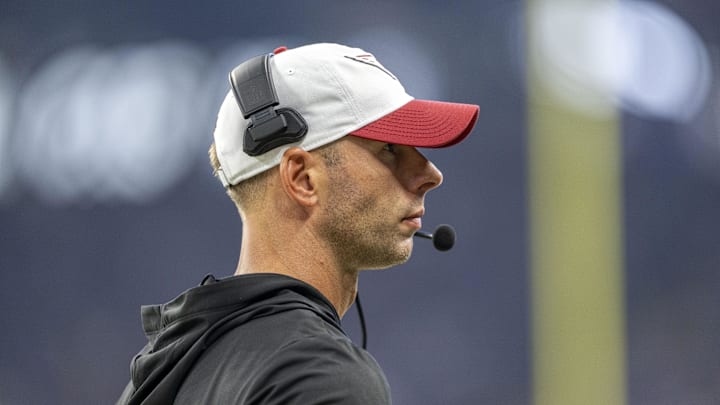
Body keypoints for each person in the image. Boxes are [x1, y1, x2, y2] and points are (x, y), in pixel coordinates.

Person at [117, 42, 479, 405]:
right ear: (303, 178)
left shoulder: (161, 372)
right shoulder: (321, 376)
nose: (431, 174)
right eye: (388, 148)